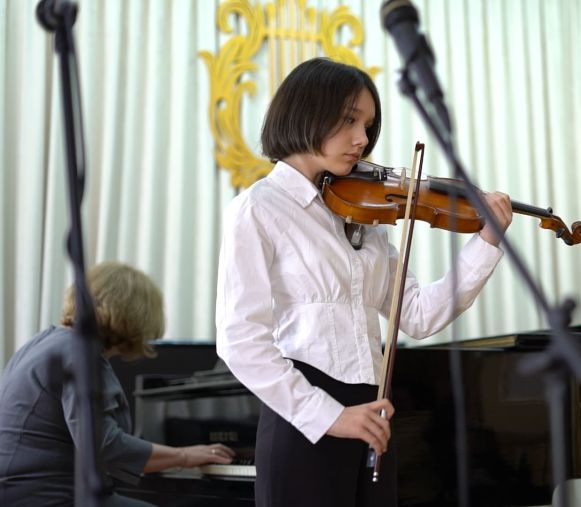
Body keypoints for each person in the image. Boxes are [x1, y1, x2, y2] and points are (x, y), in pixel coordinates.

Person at [215, 57, 513, 506]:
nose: (362, 140)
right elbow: (240, 341)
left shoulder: (365, 217)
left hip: (371, 418)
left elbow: (418, 315)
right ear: (306, 112)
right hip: (305, 420)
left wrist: (485, 242)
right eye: (349, 120)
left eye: (368, 126)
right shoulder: (257, 209)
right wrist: (331, 416)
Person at [0, 262, 236, 506]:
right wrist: (183, 456)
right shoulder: (80, 352)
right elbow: (104, 445)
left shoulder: (43, 341)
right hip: (48, 496)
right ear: (134, 317)